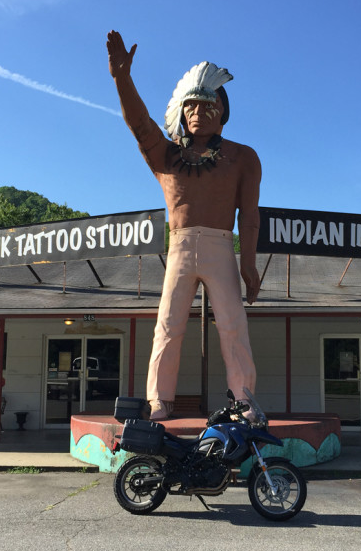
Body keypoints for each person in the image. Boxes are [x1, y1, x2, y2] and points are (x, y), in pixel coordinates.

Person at [106, 31, 261, 420]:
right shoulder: (166, 155)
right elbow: (139, 124)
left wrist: (249, 265)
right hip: (178, 247)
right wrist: (121, 78)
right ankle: (160, 401)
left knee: (232, 326)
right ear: (180, 111)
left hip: (222, 245)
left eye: (208, 104)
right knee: (168, 327)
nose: (198, 112)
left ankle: (243, 400)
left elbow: (250, 214)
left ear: (222, 112)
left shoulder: (243, 157)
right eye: (191, 105)